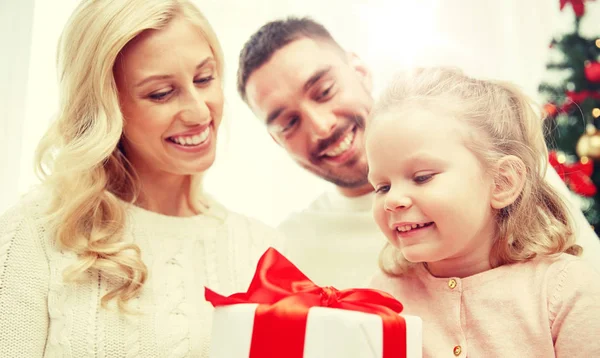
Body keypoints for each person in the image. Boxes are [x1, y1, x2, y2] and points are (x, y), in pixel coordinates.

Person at [0, 0, 281, 356]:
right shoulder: (35, 234)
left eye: (204, 78)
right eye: (161, 93)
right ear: (106, 107)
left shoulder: (262, 250)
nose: (198, 111)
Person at [236, 17, 600, 288]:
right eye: (288, 122)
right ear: (276, 140)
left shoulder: (502, 177)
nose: (320, 126)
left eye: (325, 90)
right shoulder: (291, 249)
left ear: (360, 72)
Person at [367, 67, 600, 356]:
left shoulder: (564, 289)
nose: (393, 200)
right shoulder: (381, 297)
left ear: (502, 182)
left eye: (422, 177)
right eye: (381, 187)